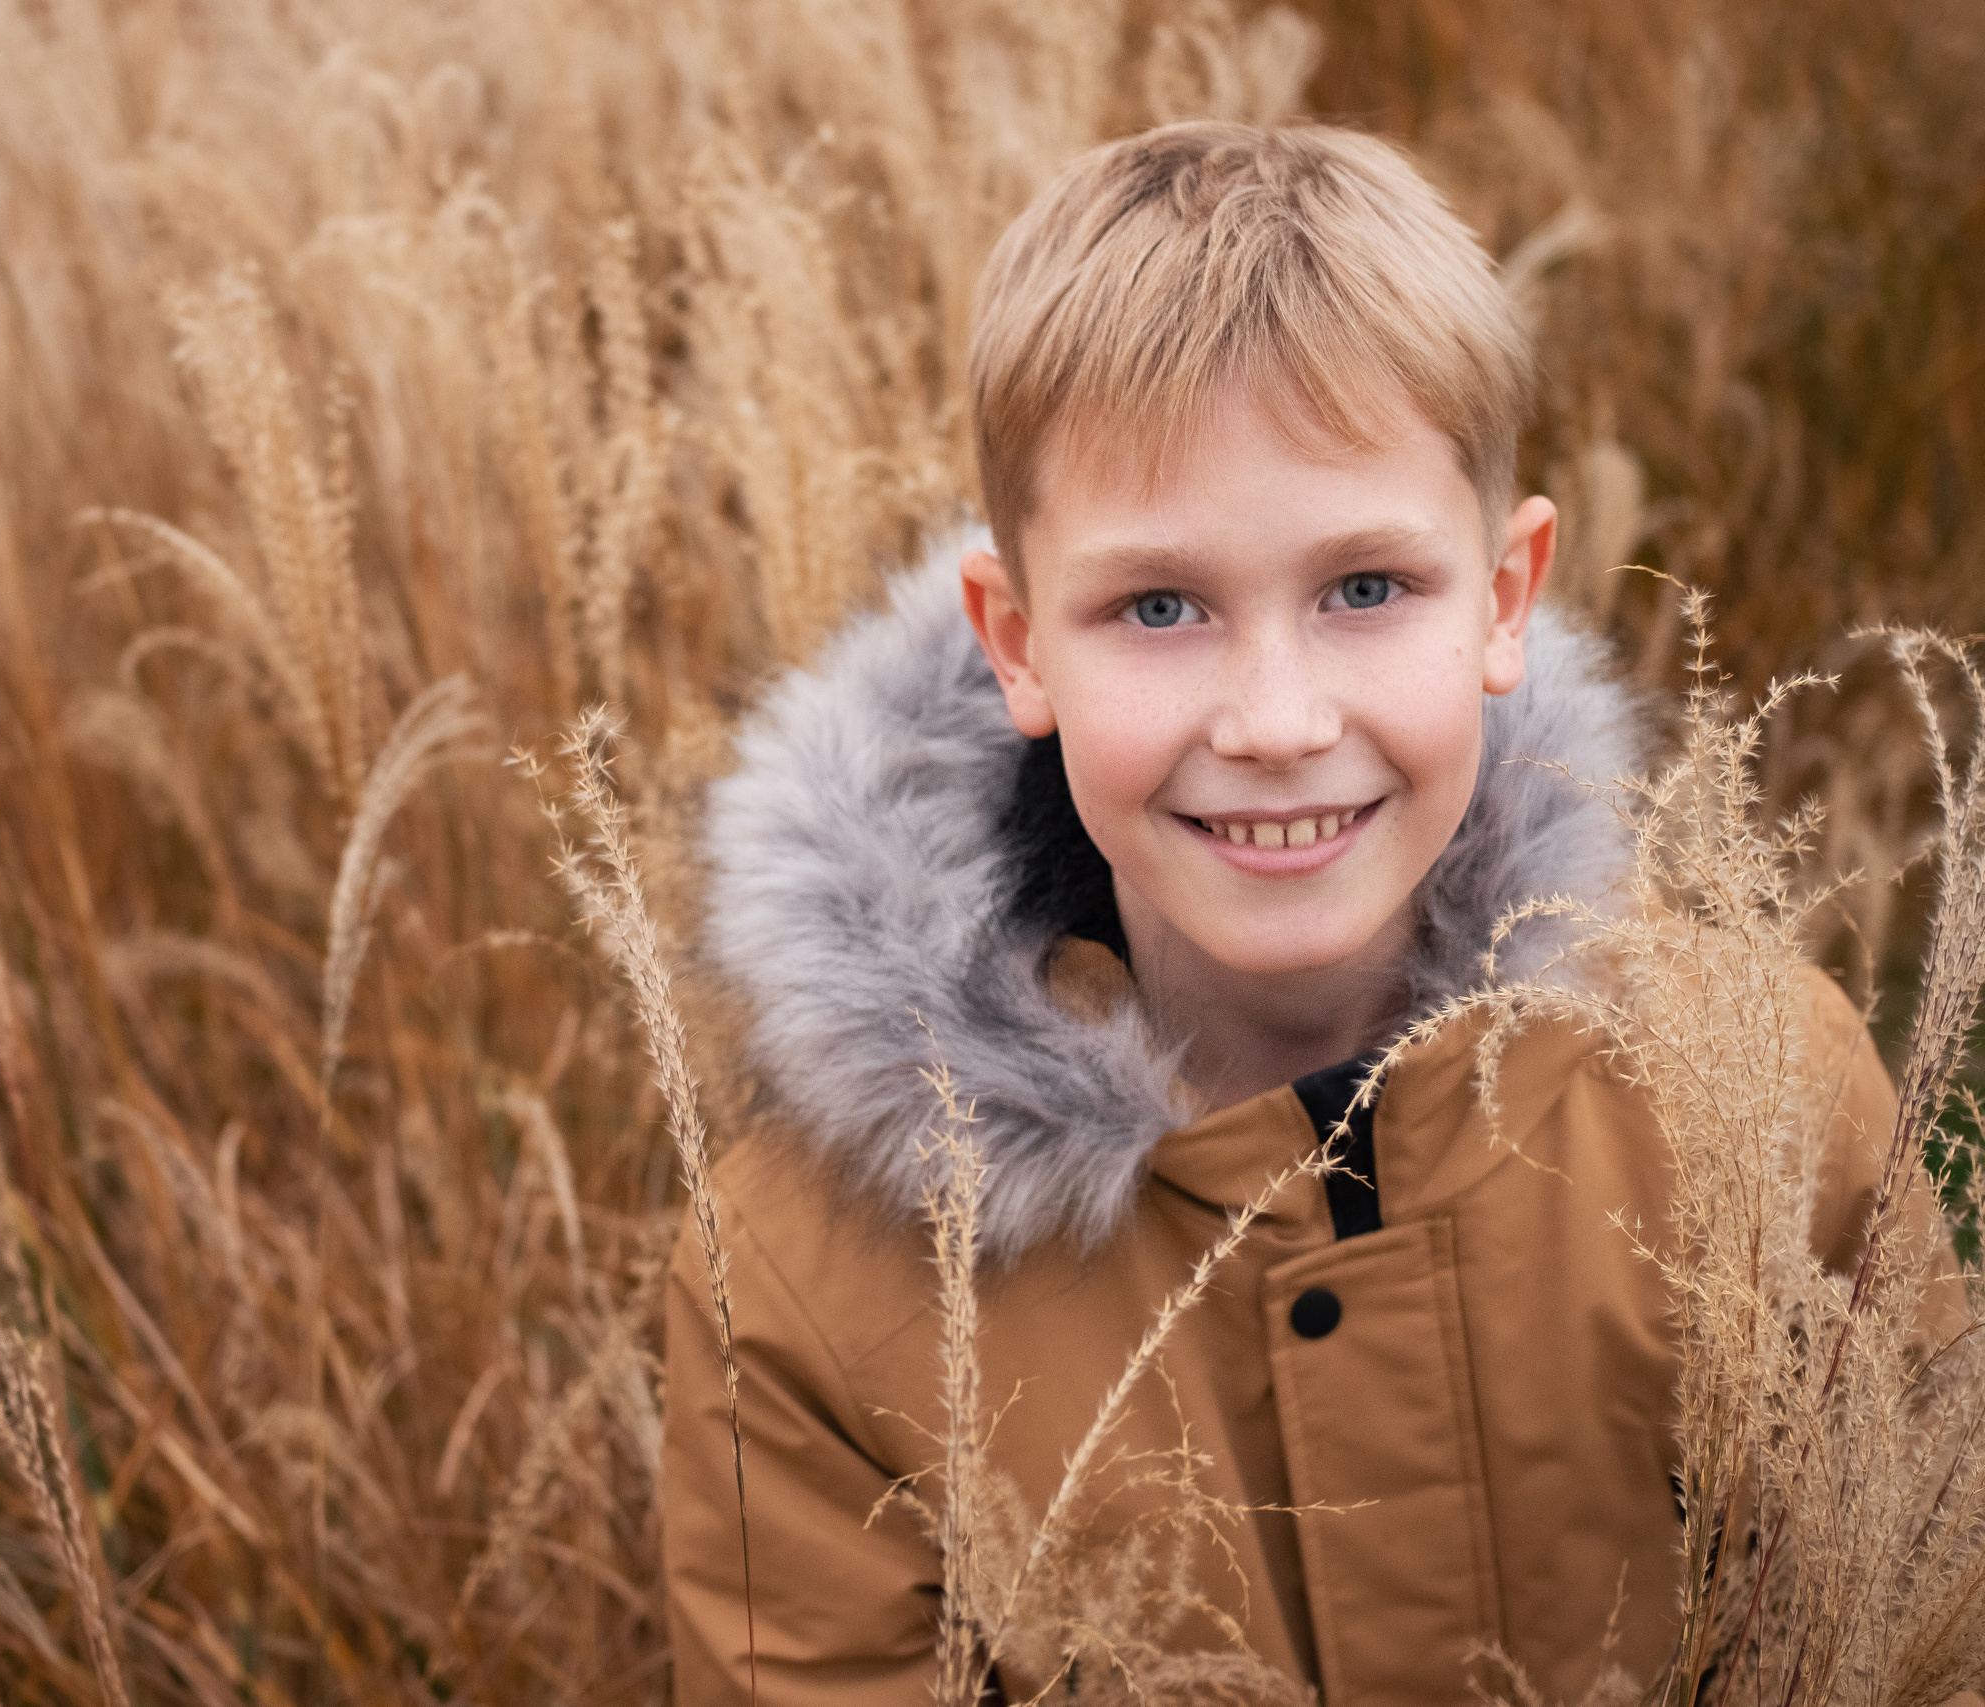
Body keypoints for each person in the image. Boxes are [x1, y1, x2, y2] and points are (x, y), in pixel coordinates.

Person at [660, 121, 1908, 1706]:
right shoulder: (805, 1281)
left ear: (1507, 599)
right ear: (1018, 639)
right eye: (1160, 607)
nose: (1274, 718)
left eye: (1365, 589)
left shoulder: (1758, 1089)